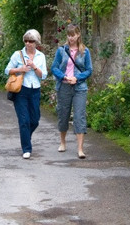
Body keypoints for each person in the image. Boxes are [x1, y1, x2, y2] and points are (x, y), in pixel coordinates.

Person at [51, 24, 93, 159]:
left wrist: (77, 78)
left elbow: (89, 70)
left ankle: (80, 149)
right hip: (63, 86)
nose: (71, 38)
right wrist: (64, 77)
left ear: (78, 35)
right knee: (63, 114)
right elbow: (54, 67)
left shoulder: (85, 51)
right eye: (69, 35)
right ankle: (62, 142)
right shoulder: (61, 51)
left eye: (73, 35)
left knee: (79, 116)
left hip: (79, 88)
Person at [4, 29, 47, 159]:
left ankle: (25, 137)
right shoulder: (18, 54)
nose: (28, 43)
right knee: (24, 121)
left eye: (31, 41)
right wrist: (20, 69)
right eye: (26, 41)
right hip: (21, 90)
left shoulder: (41, 56)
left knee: (34, 120)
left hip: (35, 90)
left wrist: (34, 66)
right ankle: (26, 148)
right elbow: (7, 70)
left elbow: (43, 75)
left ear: (36, 42)